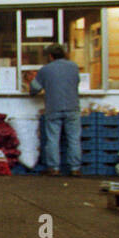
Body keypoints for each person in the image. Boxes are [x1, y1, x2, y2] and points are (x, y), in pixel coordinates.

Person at [29, 43, 82, 176]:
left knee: (53, 139)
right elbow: (77, 82)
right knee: (74, 139)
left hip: (54, 107)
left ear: (51, 56)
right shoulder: (74, 66)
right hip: (72, 107)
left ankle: (54, 168)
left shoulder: (46, 70)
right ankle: (75, 168)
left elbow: (34, 89)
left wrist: (31, 81)